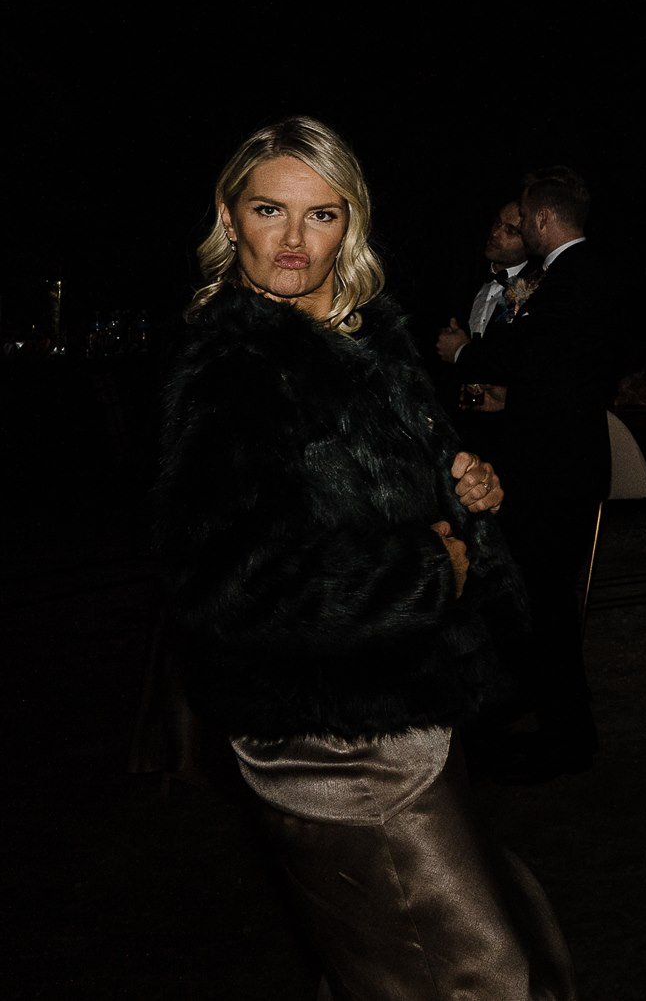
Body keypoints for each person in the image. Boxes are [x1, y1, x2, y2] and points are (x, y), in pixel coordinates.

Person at [151, 115, 577, 999]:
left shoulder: (361, 333)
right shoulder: (232, 367)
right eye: (271, 210)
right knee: (481, 973)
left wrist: (464, 486)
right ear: (230, 219)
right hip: (328, 737)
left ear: (354, 222)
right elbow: (229, 588)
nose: (296, 240)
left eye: (324, 214)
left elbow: (382, 484)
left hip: (405, 706)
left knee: (431, 956)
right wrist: (430, 572)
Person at [436, 165, 621, 783]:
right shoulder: (584, 273)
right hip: (559, 464)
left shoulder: (572, 277)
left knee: (547, 606)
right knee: (539, 603)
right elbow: (557, 376)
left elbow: (530, 357)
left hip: (557, 471)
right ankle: (559, 723)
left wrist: (462, 353)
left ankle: (568, 737)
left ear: (542, 220)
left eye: (523, 219)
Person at [437, 197, 532, 458]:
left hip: (514, 437)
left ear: (531, 240)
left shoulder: (538, 289)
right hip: (463, 432)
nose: (496, 233)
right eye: (497, 223)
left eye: (511, 230)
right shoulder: (465, 279)